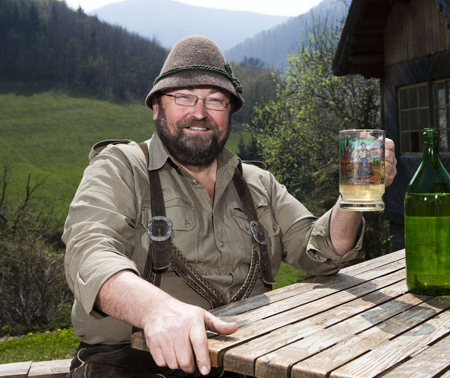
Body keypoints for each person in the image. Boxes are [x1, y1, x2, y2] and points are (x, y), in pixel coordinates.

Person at [63, 35, 397, 378]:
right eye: (183, 97)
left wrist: (354, 197)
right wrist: (155, 310)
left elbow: (325, 251)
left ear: (230, 112)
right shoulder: (120, 167)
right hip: (136, 361)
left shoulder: (257, 182)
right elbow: (89, 252)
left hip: (250, 359)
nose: (199, 112)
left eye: (215, 100)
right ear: (156, 107)